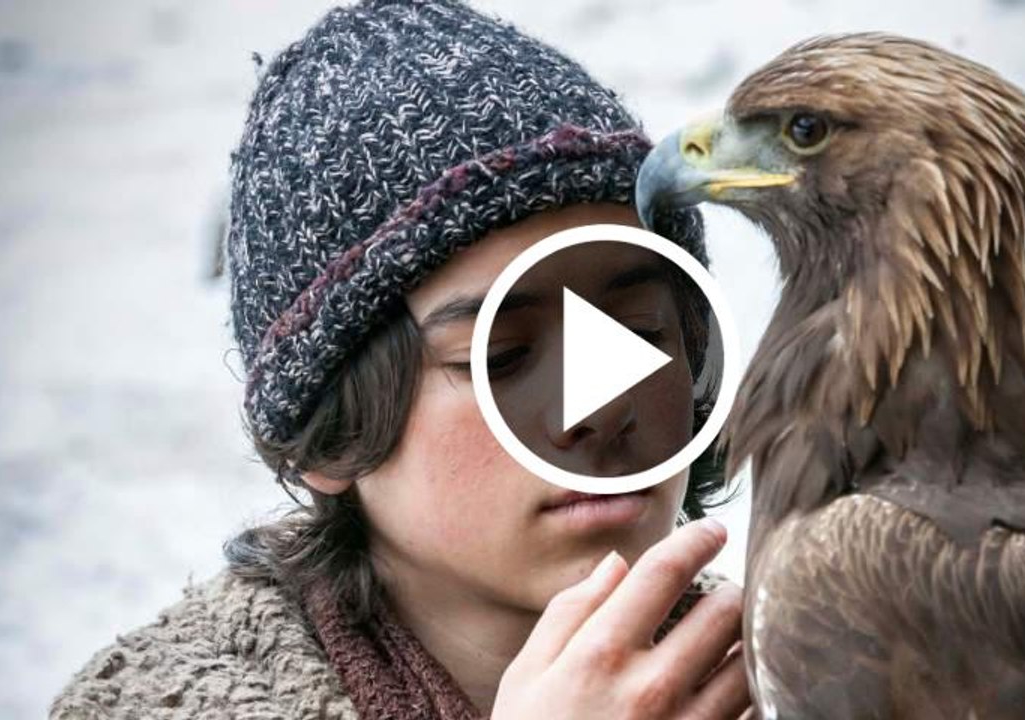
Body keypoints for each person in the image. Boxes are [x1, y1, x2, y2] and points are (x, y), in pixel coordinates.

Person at [50, 1, 750, 718]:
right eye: (501, 358)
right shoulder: (146, 703)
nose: (601, 403)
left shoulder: (826, 665)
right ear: (332, 436)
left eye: (641, 333)